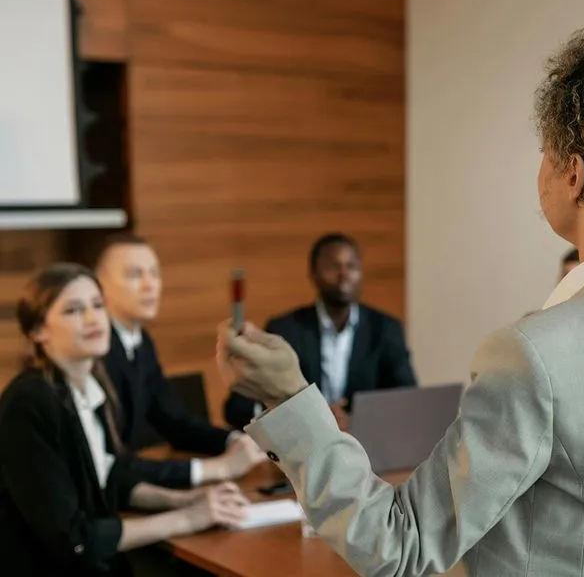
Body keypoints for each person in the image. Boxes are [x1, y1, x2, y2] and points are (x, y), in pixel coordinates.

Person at [217, 23, 584, 577]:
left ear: (574, 174)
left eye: (545, 152)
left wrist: (289, 398)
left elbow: (401, 546)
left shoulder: (537, 354)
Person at [0, 263, 248, 576]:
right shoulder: (29, 402)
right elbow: (73, 539)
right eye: (74, 310)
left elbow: (111, 478)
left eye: (98, 305)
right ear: (38, 331)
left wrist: (185, 501)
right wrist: (185, 519)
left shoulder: (90, 387)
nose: (93, 319)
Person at [96, 234, 264, 489]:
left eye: (154, 273)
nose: (149, 284)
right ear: (99, 286)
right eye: (134, 275)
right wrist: (216, 468)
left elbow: (174, 421)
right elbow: (108, 461)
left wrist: (233, 440)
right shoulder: (93, 353)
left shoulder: (139, 340)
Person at [223, 232, 417, 431]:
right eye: (334, 266)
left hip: (367, 447)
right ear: (314, 275)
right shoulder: (285, 329)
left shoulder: (385, 329)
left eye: (351, 266)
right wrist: (312, 417)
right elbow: (238, 409)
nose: (344, 274)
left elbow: (408, 401)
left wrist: (357, 420)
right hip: (302, 444)